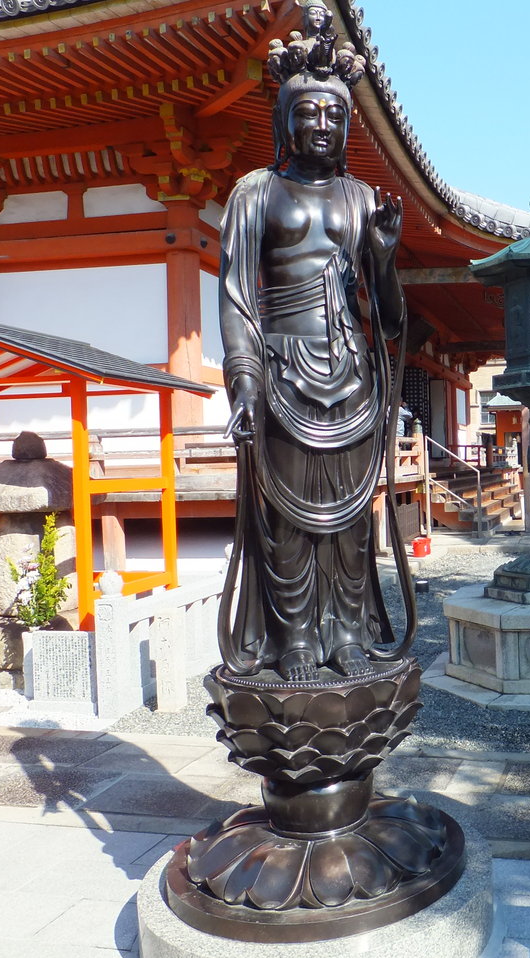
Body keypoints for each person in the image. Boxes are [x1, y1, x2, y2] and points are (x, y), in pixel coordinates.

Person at [218, 19, 413, 683]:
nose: (323, 124)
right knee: (289, 518)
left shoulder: (361, 198)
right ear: (285, 120)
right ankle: (296, 639)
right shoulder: (256, 193)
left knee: (352, 521)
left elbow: (391, 322)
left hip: (352, 371)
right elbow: (236, 299)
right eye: (308, 111)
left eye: (335, 113)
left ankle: (348, 633)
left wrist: (383, 260)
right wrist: (244, 384)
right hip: (282, 371)